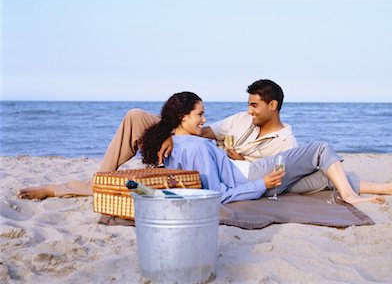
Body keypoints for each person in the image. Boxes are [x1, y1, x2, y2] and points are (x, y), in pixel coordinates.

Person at [18, 79, 298, 199]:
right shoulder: (240, 119)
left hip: (218, 165)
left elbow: (256, 172)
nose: (248, 110)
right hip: (190, 144)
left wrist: (239, 157)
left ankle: (79, 186)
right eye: (248, 105)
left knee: (134, 186)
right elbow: (204, 131)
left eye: (254, 106)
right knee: (135, 115)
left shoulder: (287, 143)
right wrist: (170, 133)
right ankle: (102, 178)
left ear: (272, 106)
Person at [140, 91, 392, 204]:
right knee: (320, 149)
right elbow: (218, 194)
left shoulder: (174, 142)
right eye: (199, 115)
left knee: (327, 175)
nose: (204, 120)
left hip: (249, 173)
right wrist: (261, 183)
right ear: (182, 117)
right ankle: (351, 196)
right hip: (252, 175)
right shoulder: (196, 147)